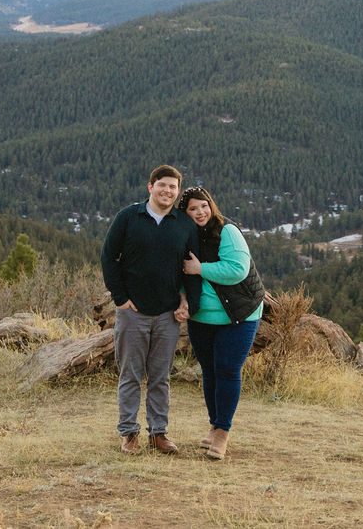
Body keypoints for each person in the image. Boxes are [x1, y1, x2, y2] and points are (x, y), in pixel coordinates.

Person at [101, 164, 201, 455]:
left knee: (160, 376)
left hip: (168, 315)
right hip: (133, 313)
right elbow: (108, 257)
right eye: (162, 185)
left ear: (177, 191)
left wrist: (188, 304)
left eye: (173, 187)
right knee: (130, 374)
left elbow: (190, 269)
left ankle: (159, 433)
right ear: (150, 187)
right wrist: (120, 299)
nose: (167, 191)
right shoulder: (128, 218)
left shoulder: (184, 224)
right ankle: (129, 433)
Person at [177, 186, 264, 460]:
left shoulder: (227, 231)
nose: (199, 212)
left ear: (211, 205)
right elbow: (177, 274)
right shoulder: (184, 237)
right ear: (185, 213)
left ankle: (223, 432)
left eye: (203, 205)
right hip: (203, 317)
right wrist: (181, 299)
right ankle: (215, 425)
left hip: (239, 313)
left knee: (227, 368)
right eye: (192, 208)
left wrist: (200, 268)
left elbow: (237, 270)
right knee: (209, 370)